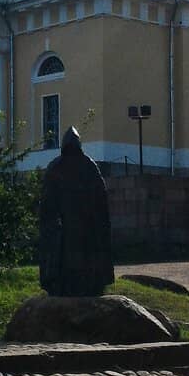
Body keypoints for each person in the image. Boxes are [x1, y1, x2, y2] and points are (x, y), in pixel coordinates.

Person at [39, 126, 114, 297]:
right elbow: (48, 203)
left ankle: (83, 284)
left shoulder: (70, 166)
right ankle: (70, 285)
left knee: (80, 260)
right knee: (69, 259)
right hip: (71, 225)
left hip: (79, 224)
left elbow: (100, 198)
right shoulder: (84, 166)